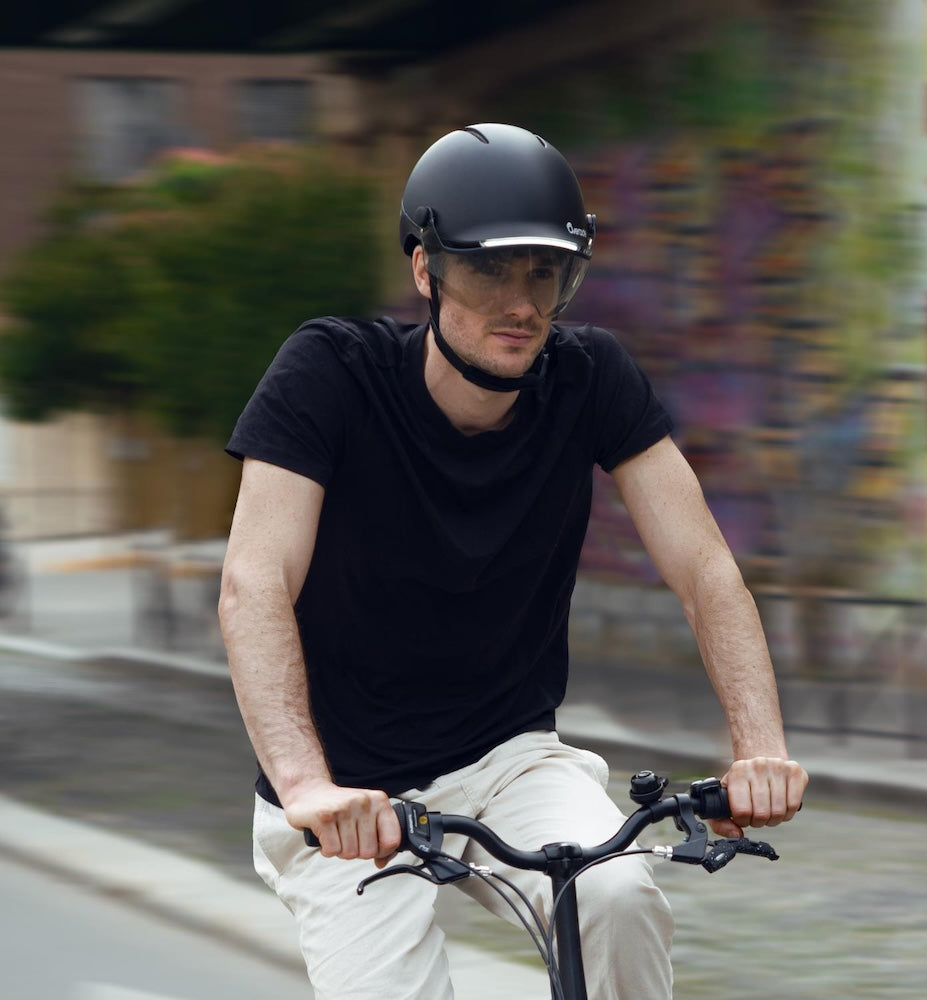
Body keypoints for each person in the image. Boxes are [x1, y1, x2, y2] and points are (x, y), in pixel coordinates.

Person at [219, 122, 808, 1000]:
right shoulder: (330, 374)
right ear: (425, 270)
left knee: (614, 895)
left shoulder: (590, 377)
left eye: (545, 273)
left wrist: (760, 752)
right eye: (488, 271)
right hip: (347, 797)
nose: (521, 302)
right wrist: (307, 786)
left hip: (509, 759)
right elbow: (253, 584)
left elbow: (705, 570)